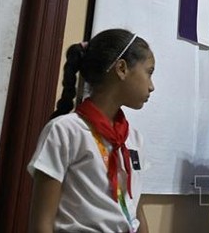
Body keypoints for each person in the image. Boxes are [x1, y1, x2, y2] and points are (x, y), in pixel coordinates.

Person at [28, 29, 155, 233]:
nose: (152, 86)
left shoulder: (133, 139)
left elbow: (135, 209)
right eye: (149, 72)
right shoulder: (65, 131)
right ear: (121, 69)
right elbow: (41, 223)